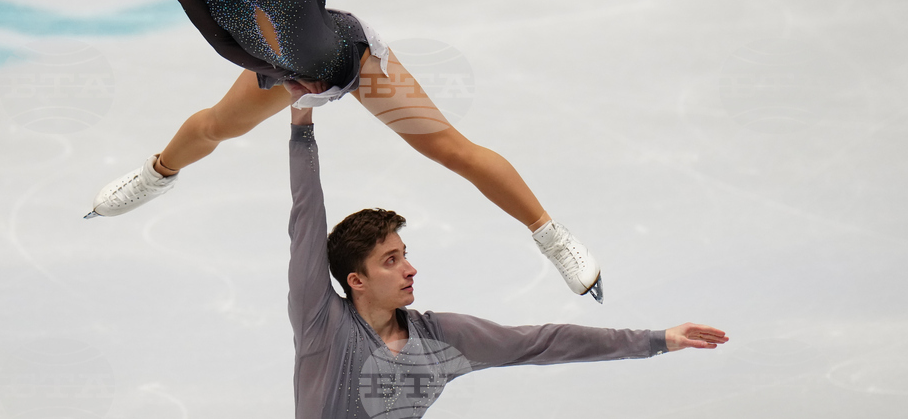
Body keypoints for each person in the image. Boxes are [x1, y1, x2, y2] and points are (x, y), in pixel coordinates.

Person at [86, 0, 602, 300]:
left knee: (450, 149)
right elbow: (222, 43)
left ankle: (553, 237)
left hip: (348, 59)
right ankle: (155, 175)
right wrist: (281, 75)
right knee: (215, 125)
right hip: (281, 71)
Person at [285, 93, 728, 419]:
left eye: (404, 255)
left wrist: (658, 339)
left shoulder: (439, 341)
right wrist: (301, 122)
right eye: (390, 261)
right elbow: (307, 213)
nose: (410, 269)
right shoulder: (321, 323)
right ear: (356, 280)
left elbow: (543, 342)